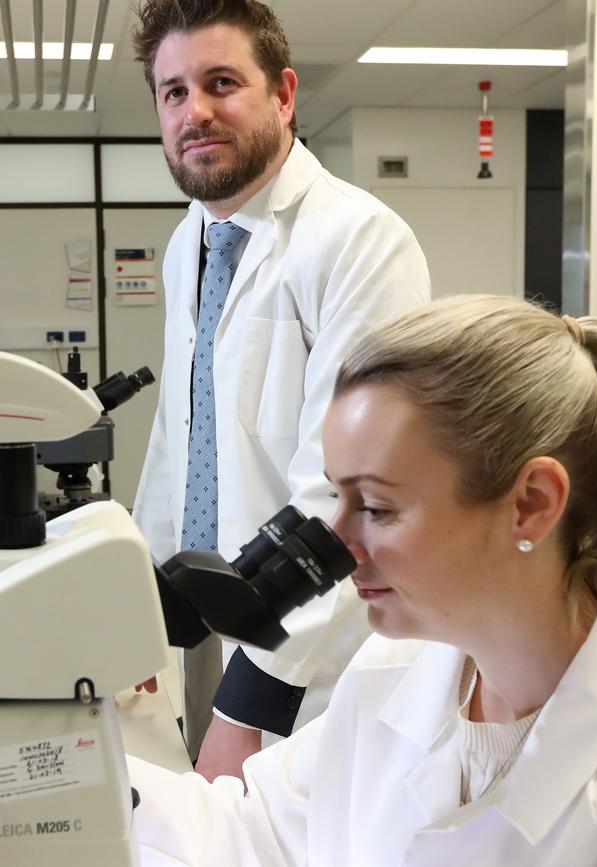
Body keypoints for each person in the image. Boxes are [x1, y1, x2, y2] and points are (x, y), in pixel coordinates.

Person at [129, 294, 597, 865]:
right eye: (336, 495)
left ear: (530, 504)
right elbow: (254, 829)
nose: (341, 547)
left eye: (376, 507)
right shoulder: (396, 673)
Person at [130, 0, 431, 775]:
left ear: (284, 94)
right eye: (173, 92)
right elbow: (180, 441)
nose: (195, 112)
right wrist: (136, 617)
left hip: (311, 657)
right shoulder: (188, 240)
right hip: (203, 624)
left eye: (221, 82)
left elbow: (351, 492)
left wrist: (253, 696)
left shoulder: (358, 240)